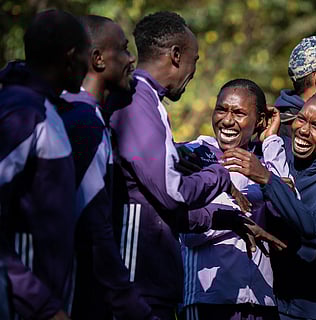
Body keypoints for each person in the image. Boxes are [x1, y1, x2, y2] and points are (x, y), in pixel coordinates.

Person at [108, 12, 281, 319]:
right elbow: (173, 194)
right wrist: (221, 173)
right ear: (176, 56)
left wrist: (228, 218)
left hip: (155, 285)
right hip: (138, 283)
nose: (194, 71)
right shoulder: (138, 101)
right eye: (194, 60)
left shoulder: (150, 103)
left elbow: (168, 208)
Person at [223, 88, 316, 320]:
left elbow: (314, 224)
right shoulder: (279, 151)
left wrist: (268, 180)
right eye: (302, 119)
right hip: (276, 301)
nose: (304, 131)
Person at [60, 15, 155, 319]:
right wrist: (126, 299)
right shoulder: (85, 122)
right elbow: (94, 224)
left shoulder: (76, 112)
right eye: (124, 50)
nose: (132, 60)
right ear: (98, 59)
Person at [0, 9, 89, 319]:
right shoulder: (24, 114)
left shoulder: (48, 109)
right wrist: (40, 303)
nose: (88, 65)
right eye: (86, 55)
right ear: (70, 56)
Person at [181, 79, 289, 320]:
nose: (227, 120)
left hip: (261, 298)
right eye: (221, 109)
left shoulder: (265, 157)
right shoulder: (193, 154)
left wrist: (271, 140)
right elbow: (188, 231)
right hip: (209, 298)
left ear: (260, 121)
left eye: (239, 113)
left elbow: (289, 210)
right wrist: (243, 214)